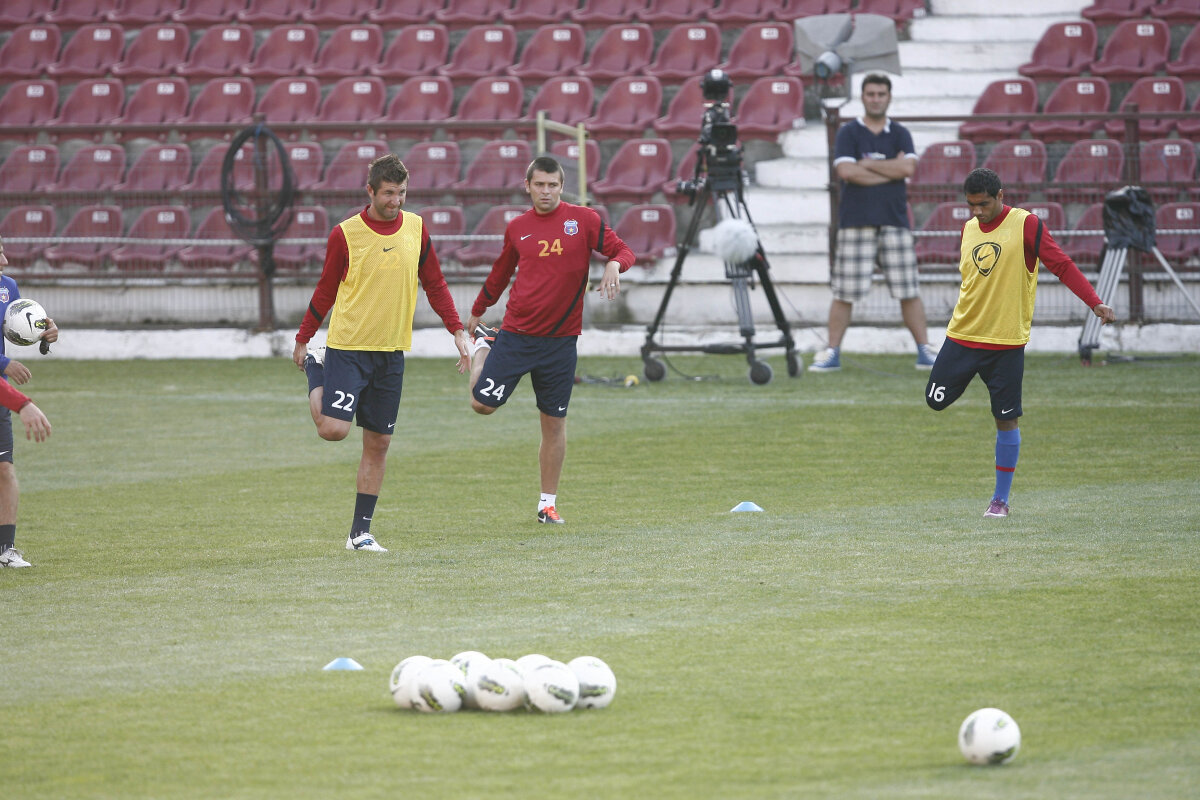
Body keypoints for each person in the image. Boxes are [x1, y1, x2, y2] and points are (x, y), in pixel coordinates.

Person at [292, 154, 470, 552]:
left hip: (391, 353)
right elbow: (325, 290)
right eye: (389, 193)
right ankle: (317, 365)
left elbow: (435, 283)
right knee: (333, 430)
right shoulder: (345, 234)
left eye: (402, 192)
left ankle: (360, 534)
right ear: (370, 191)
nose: (396, 201)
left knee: (378, 444)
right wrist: (304, 339)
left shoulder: (416, 229)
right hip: (348, 348)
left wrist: (456, 329)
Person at [924, 168, 1116, 518]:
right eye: (971, 205)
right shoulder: (968, 229)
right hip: (962, 336)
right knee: (934, 400)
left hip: (1006, 343)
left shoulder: (1026, 224)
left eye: (983, 204)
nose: (977, 212)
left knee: (1006, 419)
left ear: (1001, 195)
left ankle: (1000, 500)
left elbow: (1062, 265)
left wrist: (1094, 302)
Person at [466, 156, 635, 525]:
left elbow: (625, 252)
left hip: (560, 343)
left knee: (554, 422)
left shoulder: (585, 220)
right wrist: (478, 310)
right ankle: (484, 345)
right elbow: (500, 274)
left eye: (552, 185)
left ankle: (547, 505)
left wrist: (613, 264)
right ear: (527, 186)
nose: (546, 191)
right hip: (517, 336)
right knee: (481, 405)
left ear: (561, 187)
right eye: (539, 185)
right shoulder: (518, 228)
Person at [811, 73, 937, 372]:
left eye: (881, 94)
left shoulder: (901, 132)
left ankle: (925, 351)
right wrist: (890, 170)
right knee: (844, 292)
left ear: (889, 97)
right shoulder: (848, 132)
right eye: (871, 94)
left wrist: (868, 164)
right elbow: (847, 173)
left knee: (909, 290)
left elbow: (909, 168)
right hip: (856, 223)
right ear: (863, 97)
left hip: (895, 222)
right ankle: (832, 353)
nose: (876, 99)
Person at [0, 235, 56, 568]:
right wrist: (4, 363)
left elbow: (20, 325)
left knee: (4, 469)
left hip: (0, 393)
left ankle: (6, 549)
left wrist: (45, 333)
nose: (4, 261)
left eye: (3, 252)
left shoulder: (7, 287)